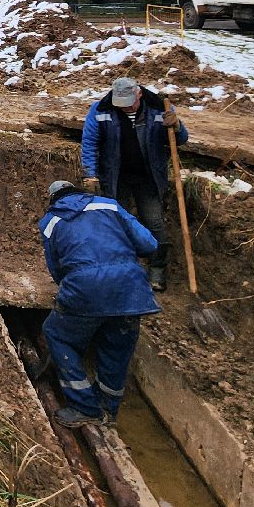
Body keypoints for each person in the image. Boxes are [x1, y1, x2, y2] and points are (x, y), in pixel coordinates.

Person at [39, 179, 160, 427]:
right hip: (130, 291)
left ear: (53, 199)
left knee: (57, 334)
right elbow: (149, 244)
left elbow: (57, 270)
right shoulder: (110, 205)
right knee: (116, 347)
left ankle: (84, 407)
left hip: (85, 290)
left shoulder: (51, 222)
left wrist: (77, 291)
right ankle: (108, 409)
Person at [81, 76, 187, 292]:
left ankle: (157, 268)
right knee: (116, 222)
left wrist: (176, 126)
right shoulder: (101, 110)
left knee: (153, 222)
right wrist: (90, 175)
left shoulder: (159, 108)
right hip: (115, 176)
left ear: (139, 93)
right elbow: (90, 143)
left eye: (130, 102)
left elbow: (182, 140)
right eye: (121, 104)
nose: (126, 108)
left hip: (148, 177)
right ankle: (121, 268)